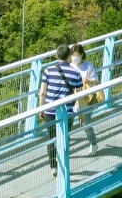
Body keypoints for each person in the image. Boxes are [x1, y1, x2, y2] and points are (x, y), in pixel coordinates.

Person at [40, 44, 85, 173]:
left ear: (56, 56)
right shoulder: (76, 73)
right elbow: (80, 95)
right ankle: (63, 165)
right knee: (64, 138)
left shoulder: (48, 70)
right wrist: (81, 113)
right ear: (69, 56)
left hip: (49, 110)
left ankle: (53, 167)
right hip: (67, 112)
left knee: (52, 138)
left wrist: (41, 109)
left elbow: (42, 93)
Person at [66, 44, 104, 146]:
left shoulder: (88, 66)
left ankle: (93, 143)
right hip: (73, 99)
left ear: (82, 55)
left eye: (77, 55)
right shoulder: (70, 66)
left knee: (85, 124)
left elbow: (95, 80)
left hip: (86, 98)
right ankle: (65, 147)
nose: (75, 58)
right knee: (67, 124)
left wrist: (88, 80)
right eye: (73, 55)